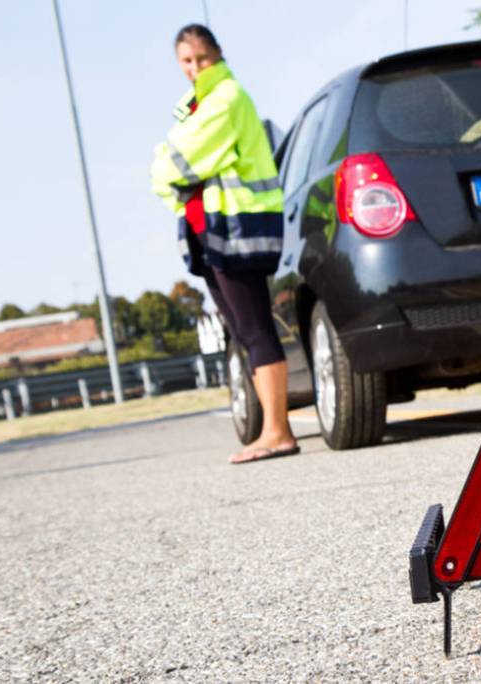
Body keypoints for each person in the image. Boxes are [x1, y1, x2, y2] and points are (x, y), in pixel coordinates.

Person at [150, 24, 297, 464]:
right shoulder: (197, 105)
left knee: (254, 328)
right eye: (187, 61)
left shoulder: (226, 98)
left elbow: (178, 162)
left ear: (218, 55)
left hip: (238, 228)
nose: (195, 68)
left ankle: (278, 431)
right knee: (243, 330)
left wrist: (163, 163)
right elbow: (176, 165)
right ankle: (271, 430)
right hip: (211, 230)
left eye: (202, 58)